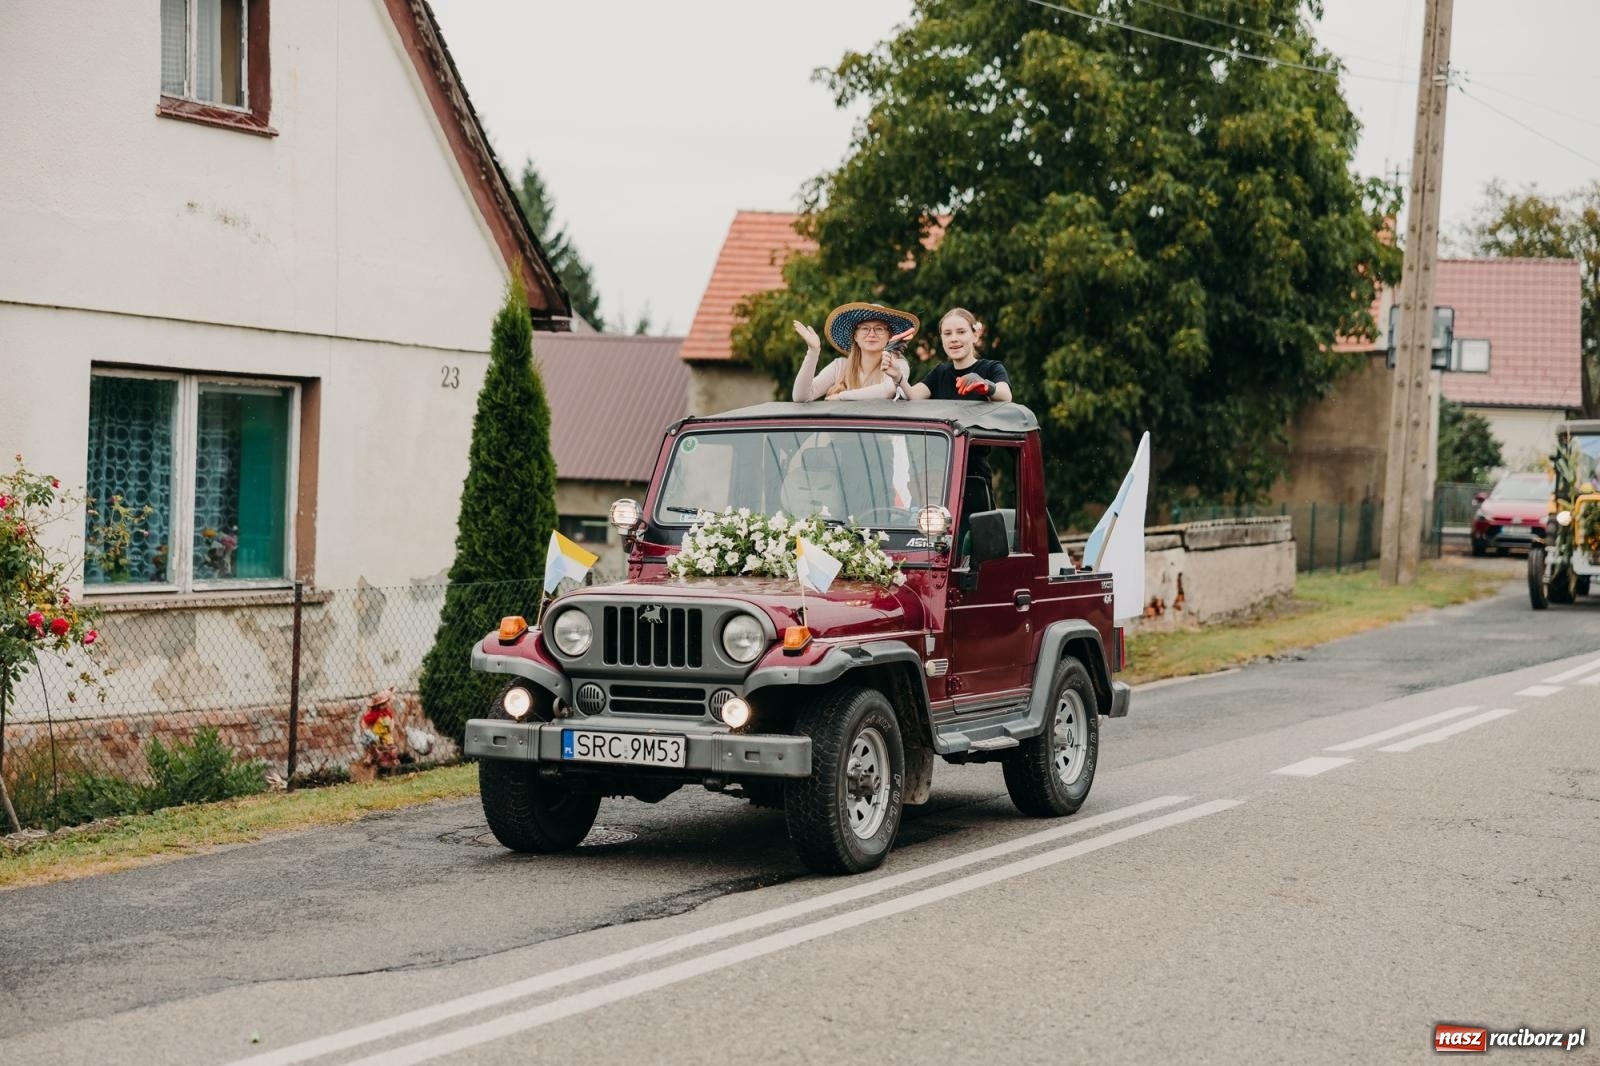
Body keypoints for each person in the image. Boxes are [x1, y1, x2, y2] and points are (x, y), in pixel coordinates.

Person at [792, 302, 917, 402]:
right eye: (865, 328)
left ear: (889, 336)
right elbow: (801, 397)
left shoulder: (897, 365)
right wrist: (813, 352)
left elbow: (887, 390)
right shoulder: (839, 366)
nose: (871, 334)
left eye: (879, 329)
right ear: (855, 336)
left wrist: (842, 396)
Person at [907, 307, 1013, 402]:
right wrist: (898, 376)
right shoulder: (939, 373)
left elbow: (1006, 396)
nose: (954, 339)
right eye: (948, 333)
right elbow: (912, 396)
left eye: (961, 332)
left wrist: (987, 386)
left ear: (975, 336)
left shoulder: (992, 368)